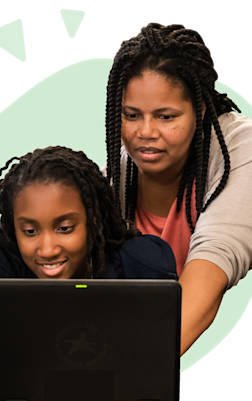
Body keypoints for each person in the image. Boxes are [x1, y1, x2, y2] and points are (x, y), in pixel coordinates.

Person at [0, 146, 178, 378]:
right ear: (12, 226)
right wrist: (34, 350)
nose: (48, 250)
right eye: (29, 231)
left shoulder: (142, 264)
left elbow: (154, 356)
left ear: (93, 219)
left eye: (65, 229)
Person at [101, 22, 252, 356]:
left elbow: (216, 257)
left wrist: (134, 375)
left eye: (166, 117)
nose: (146, 132)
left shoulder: (240, 149)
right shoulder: (114, 176)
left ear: (199, 111)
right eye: (131, 114)